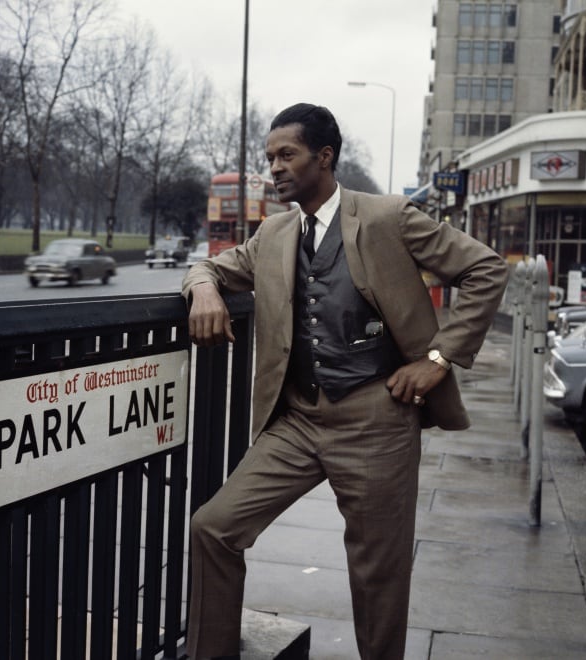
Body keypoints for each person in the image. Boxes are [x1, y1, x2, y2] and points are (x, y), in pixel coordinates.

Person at [182, 103, 508, 660]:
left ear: (324, 157)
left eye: (287, 155)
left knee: (377, 574)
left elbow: (486, 269)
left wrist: (438, 358)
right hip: (298, 421)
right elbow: (208, 266)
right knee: (213, 528)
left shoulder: (387, 216)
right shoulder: (275, 232)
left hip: (376, 419)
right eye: (269, 158)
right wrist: (205, 289)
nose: (274, 169)